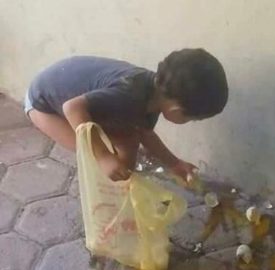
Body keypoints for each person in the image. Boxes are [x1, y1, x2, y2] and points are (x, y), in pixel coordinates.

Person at [24, 49, 228, 181]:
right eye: (192, 119)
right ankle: (106, 195)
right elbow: (72, 109)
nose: (190, 122)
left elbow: (145, 133)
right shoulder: (128, 95)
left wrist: (174, 163)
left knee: (129, 140)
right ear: (176, 110)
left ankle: (122, 184)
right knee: (94, 156)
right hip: (44, 105)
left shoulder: (155, 92)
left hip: (72, 91)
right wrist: (103, 157)